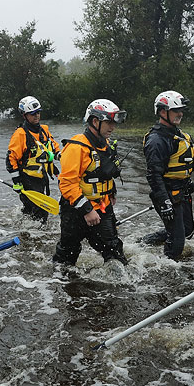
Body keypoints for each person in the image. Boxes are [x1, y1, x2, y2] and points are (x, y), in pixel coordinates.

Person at [53, 99, 128, 268]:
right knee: (67, 256)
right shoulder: (76, 147)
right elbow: (66, 183)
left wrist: (112, 191)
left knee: (115, 253)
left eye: (113, 123)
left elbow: (103, 172)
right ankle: (60, 285)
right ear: (95, 121)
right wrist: (87, 210)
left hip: (102, 207)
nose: (112, 127)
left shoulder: (106, 144)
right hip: (76, 211)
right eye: (108, 122)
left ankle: (120, 289)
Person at [142, 90, 194, 260]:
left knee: (187, 231)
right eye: (176, 111)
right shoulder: (156, 140)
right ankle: (167, 267)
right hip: (167, 194)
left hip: (181, 192)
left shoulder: (179, 135)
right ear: (162, 112)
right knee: (177, 243)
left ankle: (145, 242)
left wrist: (186, 181)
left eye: (181, 110)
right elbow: (154, 175)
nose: (180, 114)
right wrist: (164, 201)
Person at [6, 96, 61, 223]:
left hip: (41, 176)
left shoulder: (44, 130)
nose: (37, 116)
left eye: (38, 112)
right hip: (27, 178)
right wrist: (17, 181)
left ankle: (26, 229)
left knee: (32, 211)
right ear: (25, 115)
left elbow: (53, 147)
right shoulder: (20, 134)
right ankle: (37, 235)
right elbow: (10, 159)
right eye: (33, 114)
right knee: (41, 212)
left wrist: (60, 156)